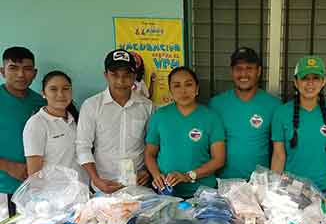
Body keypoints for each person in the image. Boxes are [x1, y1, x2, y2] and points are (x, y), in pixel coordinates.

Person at [76, 49, 153, 193]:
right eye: (114, 75)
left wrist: (147, 171)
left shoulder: (147, 106)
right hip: (104, 185)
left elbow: (152, 145)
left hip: (138, 185)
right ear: (106, 75)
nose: (121, 81)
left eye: (127, 75)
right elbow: (82, 147)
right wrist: (96, 179)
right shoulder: (92, 106)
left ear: (135, 76)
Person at [271, 56, 326, 198]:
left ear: (323, 82)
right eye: (305, 78)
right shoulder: (281, 113)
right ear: (296, 82)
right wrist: (273, 189)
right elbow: (278, 155)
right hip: (292, 191)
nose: (310, 83)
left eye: (316, 78)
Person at [145, 66, 225, 198]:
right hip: (167, 193)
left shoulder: (211, 117)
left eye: (188, 85)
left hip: (203, 194)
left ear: (197, 89)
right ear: (170, 91)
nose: (183, 91)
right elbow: (149, 154)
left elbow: (219, 159)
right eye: (177, 86)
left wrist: (188, 176)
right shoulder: (160, 116)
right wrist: (156, 175)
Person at [209, 47, 280, 179]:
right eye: (238, 69)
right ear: (232, 72)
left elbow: (280, 151)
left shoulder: (274, 105)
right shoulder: (216, 104)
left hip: (259, 185)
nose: (244, 74)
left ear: (258, 71)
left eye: (249, 68)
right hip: (224, 184)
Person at [0, 47, 44, 217]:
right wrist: (8, 166)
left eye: (26, 69)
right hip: (3, 189)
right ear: (3, 71)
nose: (20, 74)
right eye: (13, 68)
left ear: (34, 73)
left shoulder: (40, 102)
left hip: (35, 191)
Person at [23, 71, 88, 184]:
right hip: (54, 196)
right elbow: (34, 173)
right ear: (43, 93)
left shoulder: (77, 119)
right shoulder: (36, 123)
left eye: (66, 88)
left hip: (82, 190)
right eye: (53, 89)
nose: (61, 94)